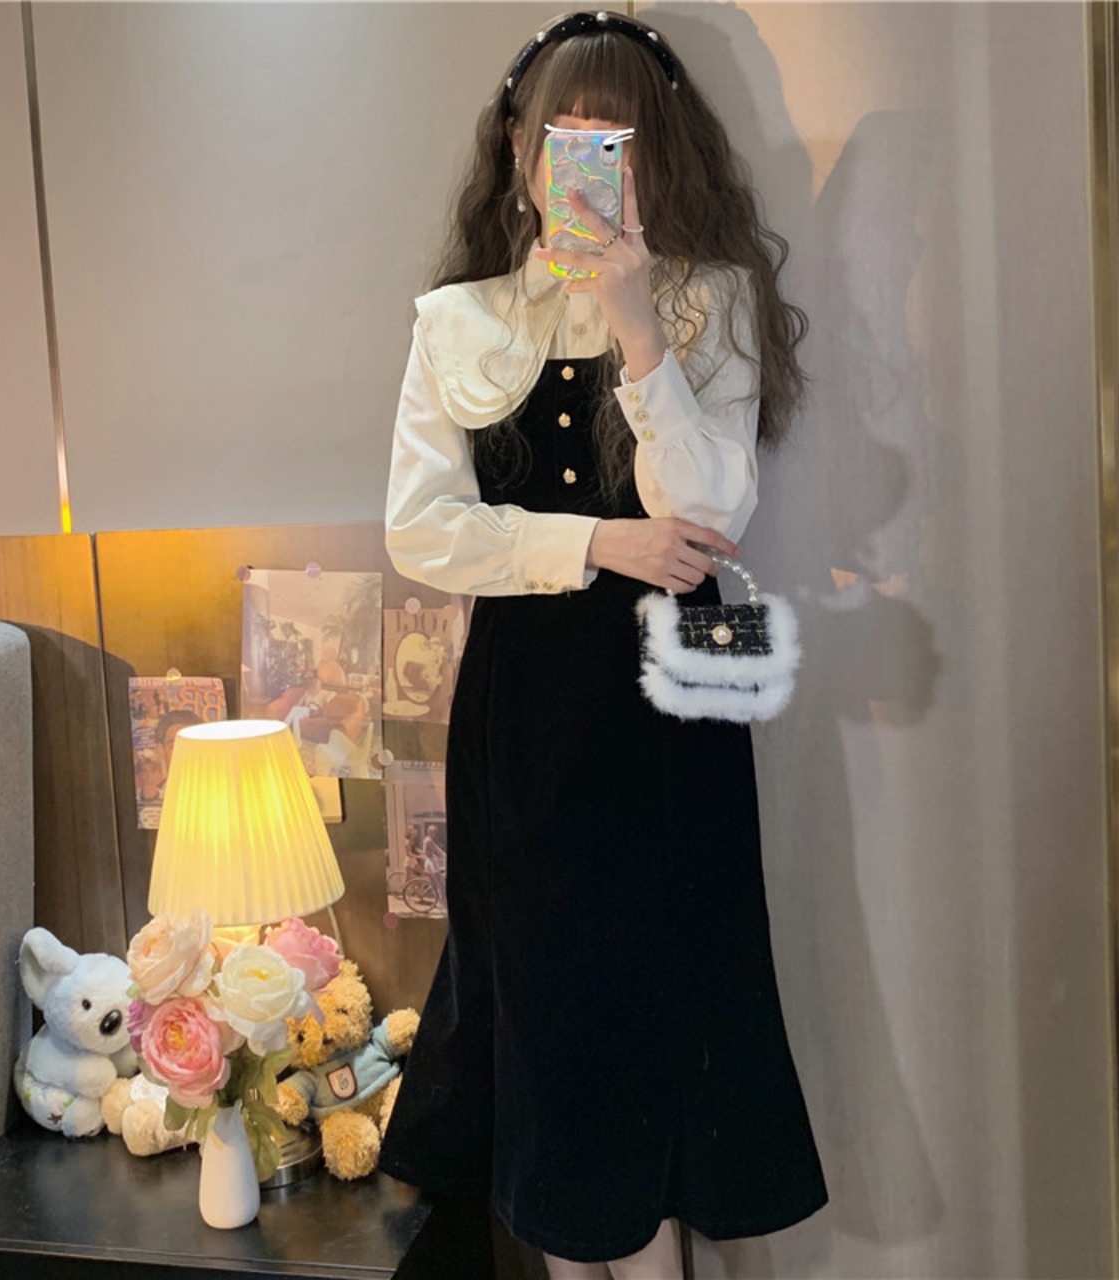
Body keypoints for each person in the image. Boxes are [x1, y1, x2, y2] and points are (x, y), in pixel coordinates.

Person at [380, 12, 828, 1279]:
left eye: (610, 139)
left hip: (676, 714)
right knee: (550, 1029)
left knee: (668, 1013)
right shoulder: (459, 320)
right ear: (519, 152)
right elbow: (420, 530)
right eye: (558, 135)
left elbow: (713, 507)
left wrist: (636, 322)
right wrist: (599, 542)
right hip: (524, 713)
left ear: (653, 155)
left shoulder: (706, 299)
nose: (579, 160)